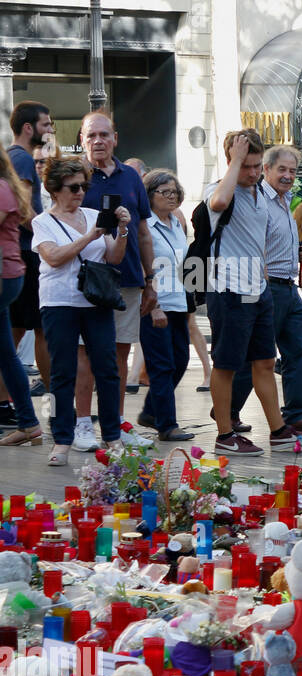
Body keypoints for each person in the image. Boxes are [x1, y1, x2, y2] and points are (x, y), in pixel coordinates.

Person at [205, 129, 302, 456]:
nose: (252, 173)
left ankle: (279, 431)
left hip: (259, 290)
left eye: (256, 166)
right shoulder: (219, 190)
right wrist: (235, 161)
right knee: (226, 365)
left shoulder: (258, 196)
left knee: (265, 361)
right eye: (246, 166)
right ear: (231, 162)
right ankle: (225, 435)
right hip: (228, 290)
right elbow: (219, 202)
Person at [31, 158, 129, 464]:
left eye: (84, 186)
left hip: (96, 301)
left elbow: (113, 257)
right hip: (59, 302)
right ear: (55, 189)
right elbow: (54, 257)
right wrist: (90, 236)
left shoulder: (92, 215)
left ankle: (112, 436)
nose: (80, 193)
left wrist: (122, 230)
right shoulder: (42, 221)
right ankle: (61, 439)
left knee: (108, 370)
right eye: (74, 187)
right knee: (61, 373)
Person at [226, 144, 302, 437]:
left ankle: (295, 414)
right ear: (265, 169)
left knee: (297, 350)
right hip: (265, 287)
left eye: (293, 171)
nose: (288, 176)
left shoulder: (285, 201)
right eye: (282, 169)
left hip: (288, 287)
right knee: (255, 356)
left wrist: (296, 252)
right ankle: (227, 412)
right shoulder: (258, 200)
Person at [78, 112, 157, 449]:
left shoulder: (131, 177)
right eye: (91, 135)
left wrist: (150, 280)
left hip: (126, 278)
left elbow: (142, 232)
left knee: (119, 356)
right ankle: (82, 424)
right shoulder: (75, 175)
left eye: (104, 135)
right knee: (85, 355)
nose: (98, 141)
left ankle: (117, 423)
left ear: (115, 138)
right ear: (82, 139)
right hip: (86, 280)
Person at [136, 169, 194, 441]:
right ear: (150, 195)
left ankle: (150, 411)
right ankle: (167, 425)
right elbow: (140, 265)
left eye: (175, 192)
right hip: (154, 303)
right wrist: (154, 302)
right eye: (165, 192)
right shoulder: (144, 225)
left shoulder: (176, 223)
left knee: (180, 359)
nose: (172, 196)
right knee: (162, 365)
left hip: (178, 302)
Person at [5, 102, 53, 416]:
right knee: (40, 328)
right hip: (26, 252)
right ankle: (57, 401)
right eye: (46, 125)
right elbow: (22, 207)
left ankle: (5, 403)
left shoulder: (12, 156)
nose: (49, 130)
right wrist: (47, 233)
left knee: (16, 329)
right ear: (28, 128)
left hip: (18, 253)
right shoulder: (21, 158)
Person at [0, 144, 39, 445]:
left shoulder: (1, 188)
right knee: (6, 353)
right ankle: (27, 422)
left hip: (4, 276)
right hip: (7, 276)